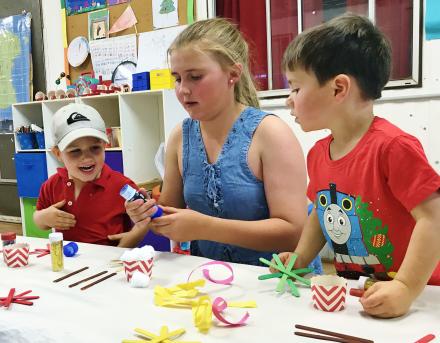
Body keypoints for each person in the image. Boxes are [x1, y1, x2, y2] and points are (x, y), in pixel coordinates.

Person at [273, 13, 440, 318]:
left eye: (296, 88)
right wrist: (300, 257)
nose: (288, 100)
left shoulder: (392, 147)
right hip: (358, 293)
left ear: (338, 89)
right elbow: (319, 215)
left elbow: (434, 218)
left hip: (421, 297)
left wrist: (405, 286)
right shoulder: (318, 153)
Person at [126, 18, 316, 267]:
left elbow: (294, 234)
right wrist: (148, 213)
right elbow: (169, 219)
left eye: (195, 77)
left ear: (233, 74)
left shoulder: (269, 133)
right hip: (209, 279)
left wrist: (206, 227)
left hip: (275, 280)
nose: (183, 90)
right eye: (177, 78)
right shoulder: (180, 137)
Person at [34, 103, 147, 247]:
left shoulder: (122, 186)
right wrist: (43, 218)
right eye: (75, 151)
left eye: (95, 148)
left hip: (110, 265)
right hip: (68, 265)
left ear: (105, 146)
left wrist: (128, 243)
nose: (87, 158)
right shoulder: (51, 185)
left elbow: (146, 221)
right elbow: (38, 218)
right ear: (58, 154)